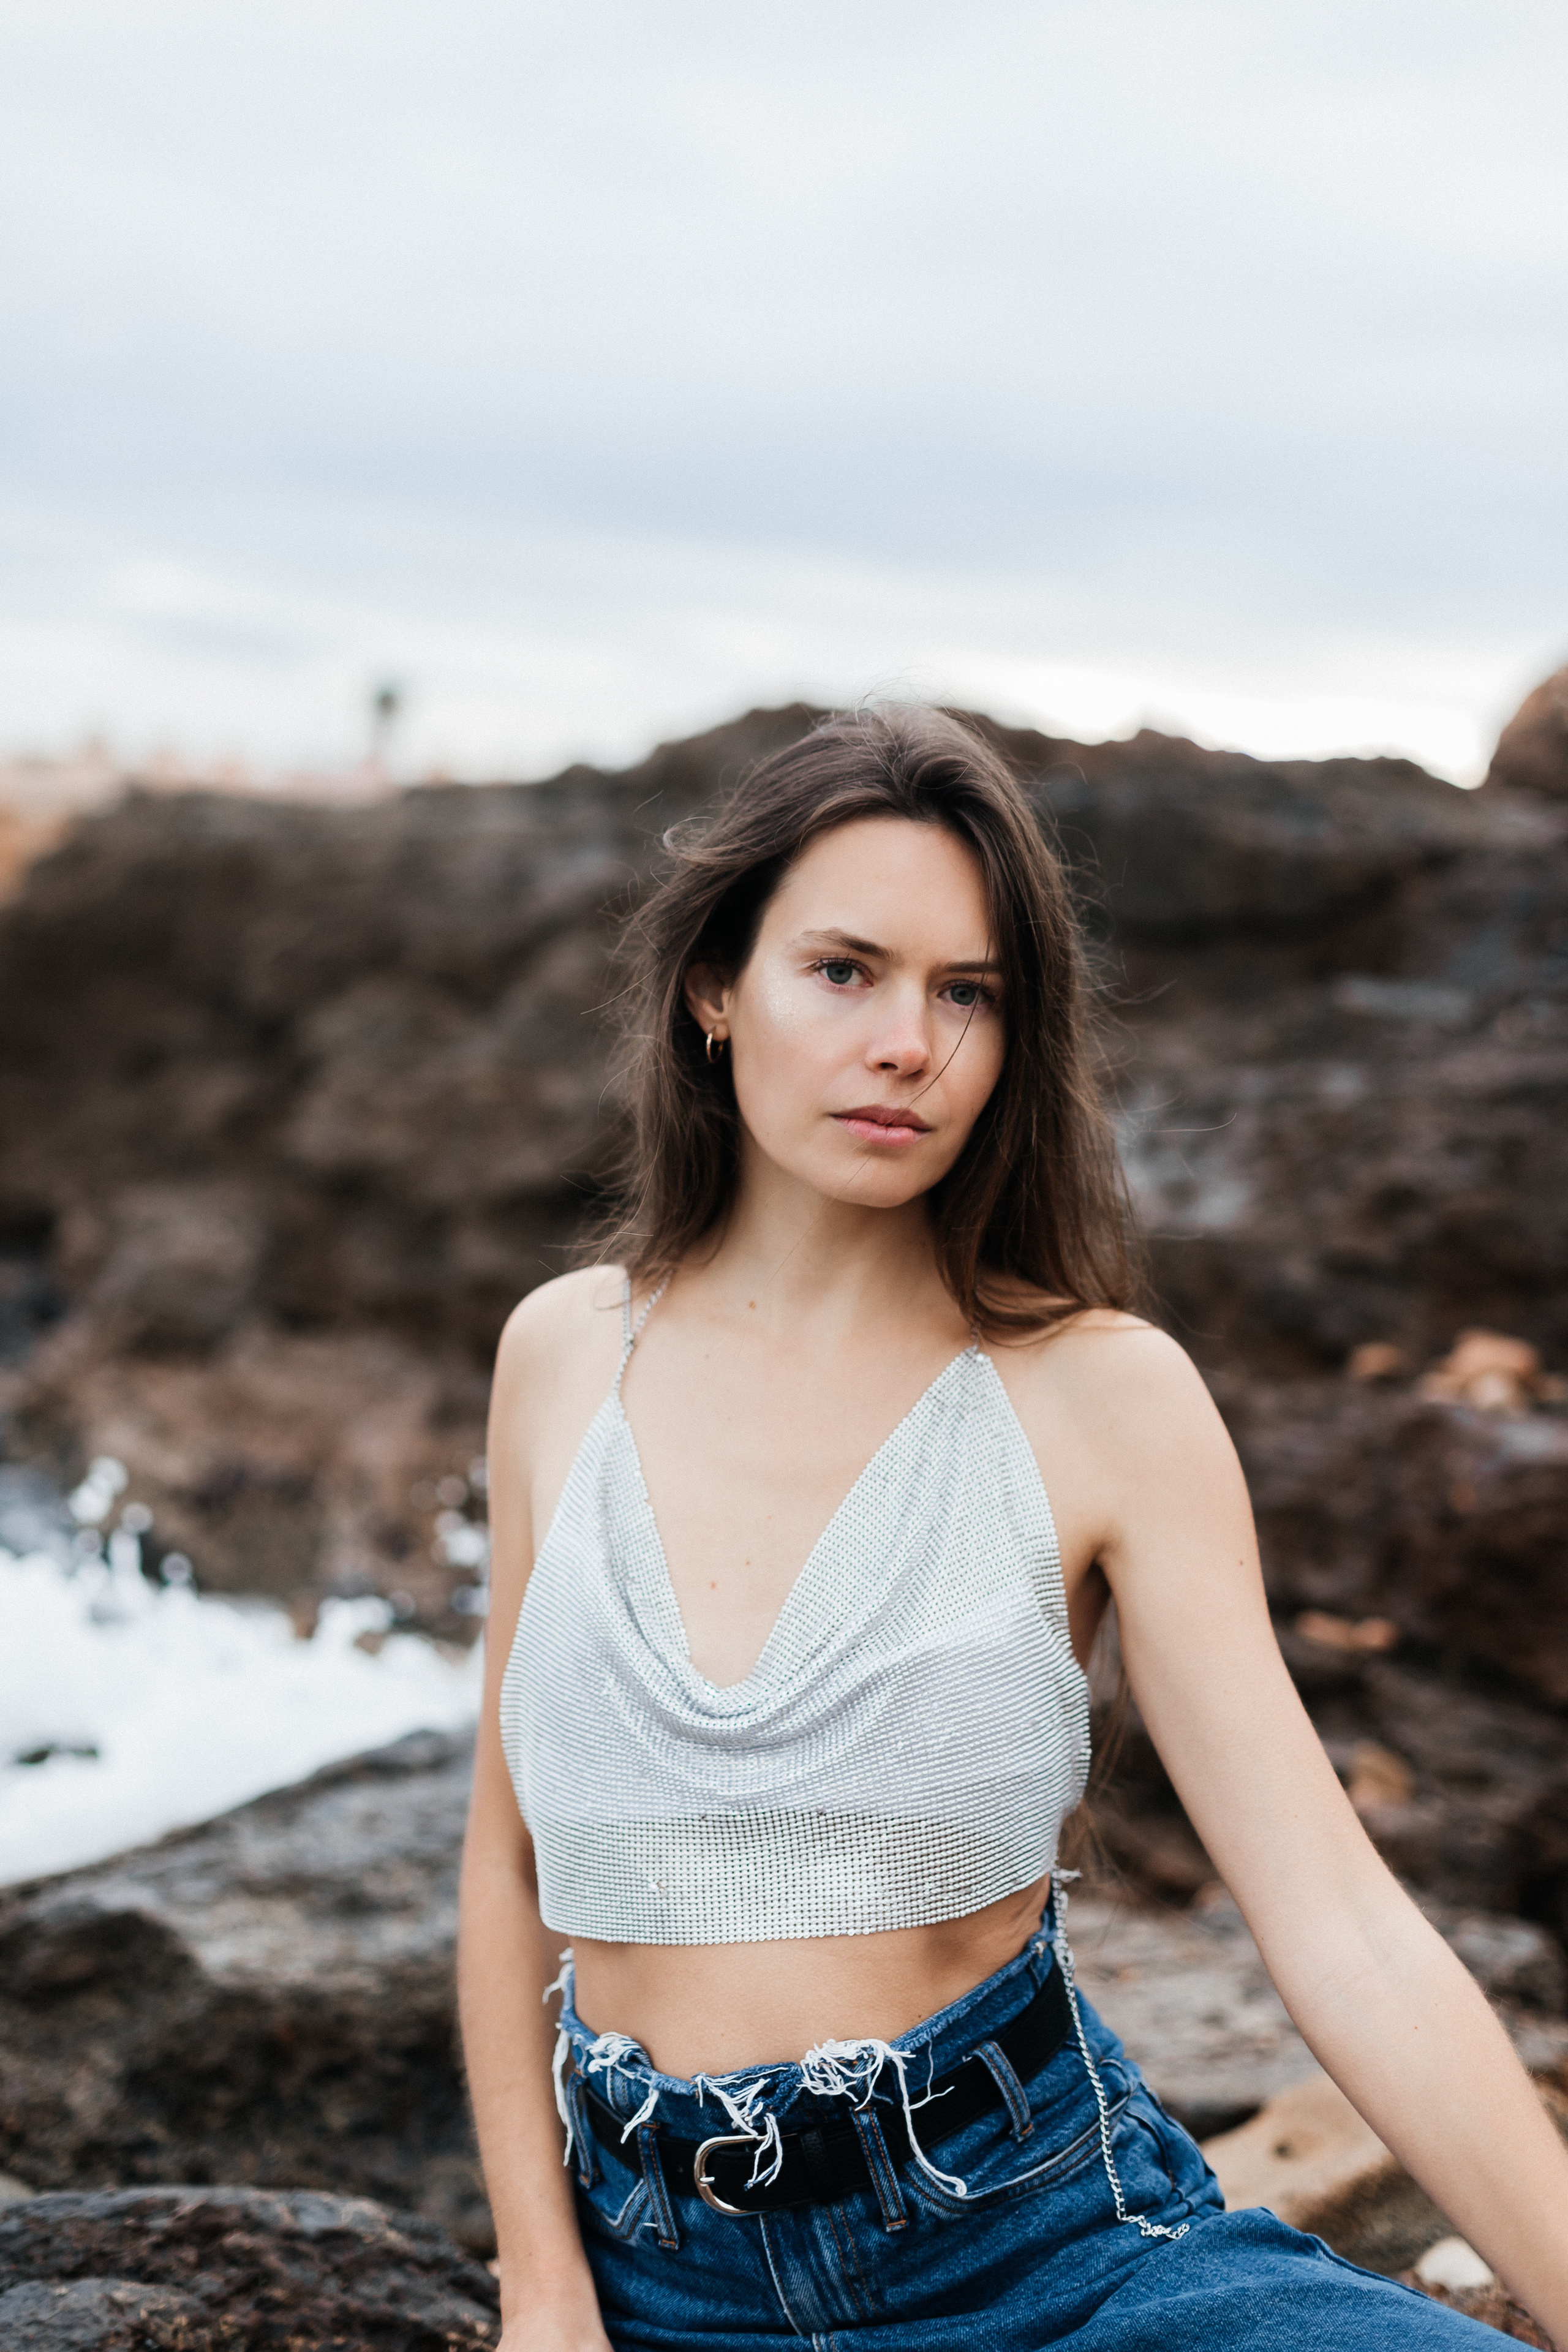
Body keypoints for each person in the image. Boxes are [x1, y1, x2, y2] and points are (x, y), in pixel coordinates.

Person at [459, 706, 1568, 2350]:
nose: (912, 1042)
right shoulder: (562, 1356)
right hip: (658, 2272)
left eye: (968, 993)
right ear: (715, 989)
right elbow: (505, 1860)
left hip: (1047, 2248)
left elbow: (1340, 1926)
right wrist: (544, 2293)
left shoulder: (1103, 1396)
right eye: (845, 970)